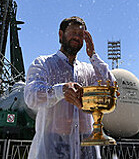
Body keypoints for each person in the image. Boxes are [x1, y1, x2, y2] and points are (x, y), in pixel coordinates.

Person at [24, 16, 115, 159]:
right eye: (73, 32)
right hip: (52, 146)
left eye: (80, 34)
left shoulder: (88, 70)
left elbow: (110, 87)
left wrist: (93, 56)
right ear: (61, 34)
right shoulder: (44, 64)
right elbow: (31, 96)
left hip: (86, 147)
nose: (77, 37)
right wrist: (61, 91)